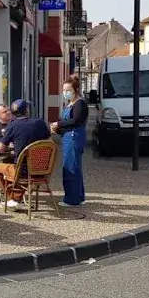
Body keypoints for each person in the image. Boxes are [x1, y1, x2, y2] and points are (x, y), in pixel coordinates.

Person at [0, 100, 51, 209]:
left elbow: (0, 149)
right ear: (27, 110)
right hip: (43, 169)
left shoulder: (12, 126)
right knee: (17, 169)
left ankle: (11, 198)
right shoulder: (40, 123)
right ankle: (16, 197)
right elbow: (49, 142)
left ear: (13, 113)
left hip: (22, 172)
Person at [51, 76, 88, 207]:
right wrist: (58, 130)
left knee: (71, 168)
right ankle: (79, 196)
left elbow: (75, 121)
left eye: (68, 90)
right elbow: (68, 124)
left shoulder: (80, 104)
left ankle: (72, 199)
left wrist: (58, 123)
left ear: (75, 90)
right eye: (64, 90)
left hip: (74, 138)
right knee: (75, 167)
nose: (65, 92)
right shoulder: (69, 104)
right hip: (68, 136)